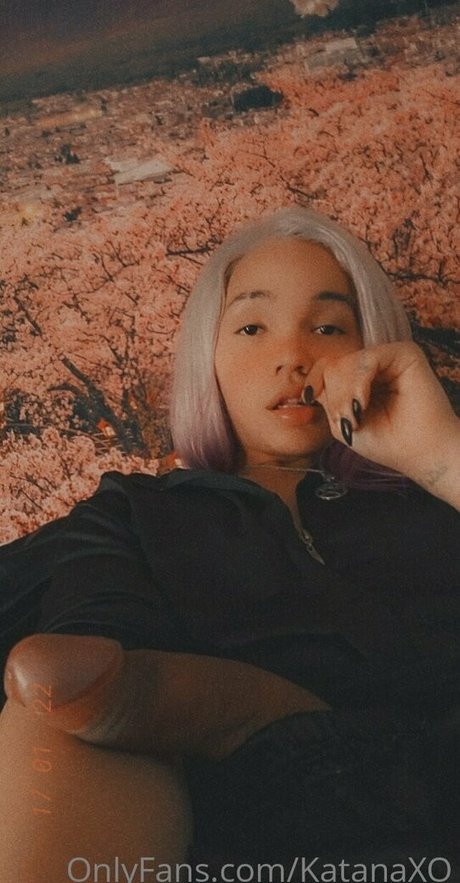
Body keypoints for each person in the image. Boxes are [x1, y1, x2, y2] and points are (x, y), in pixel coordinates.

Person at [0, 207, 459, 881]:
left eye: (329, 327)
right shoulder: (139, 511)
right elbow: (87, 652)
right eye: (251, 326)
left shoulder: (432, 495)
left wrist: (440, 457)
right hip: (254, 836)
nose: (293, 355)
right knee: (65, 715)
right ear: (207, 360)